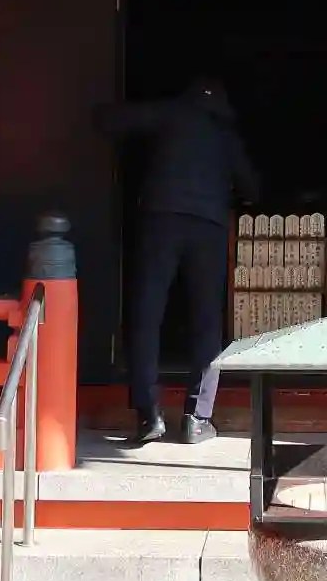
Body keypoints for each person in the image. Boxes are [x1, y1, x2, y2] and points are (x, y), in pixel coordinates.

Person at [100, 76, 259, 446]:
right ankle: (197, 418)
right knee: (206, 322)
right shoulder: (225, 135)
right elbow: (252, 186)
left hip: (161, 220)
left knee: (147, 315)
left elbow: (111, 120)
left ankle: (148, 415)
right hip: (209, 227)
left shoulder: (170, 114)